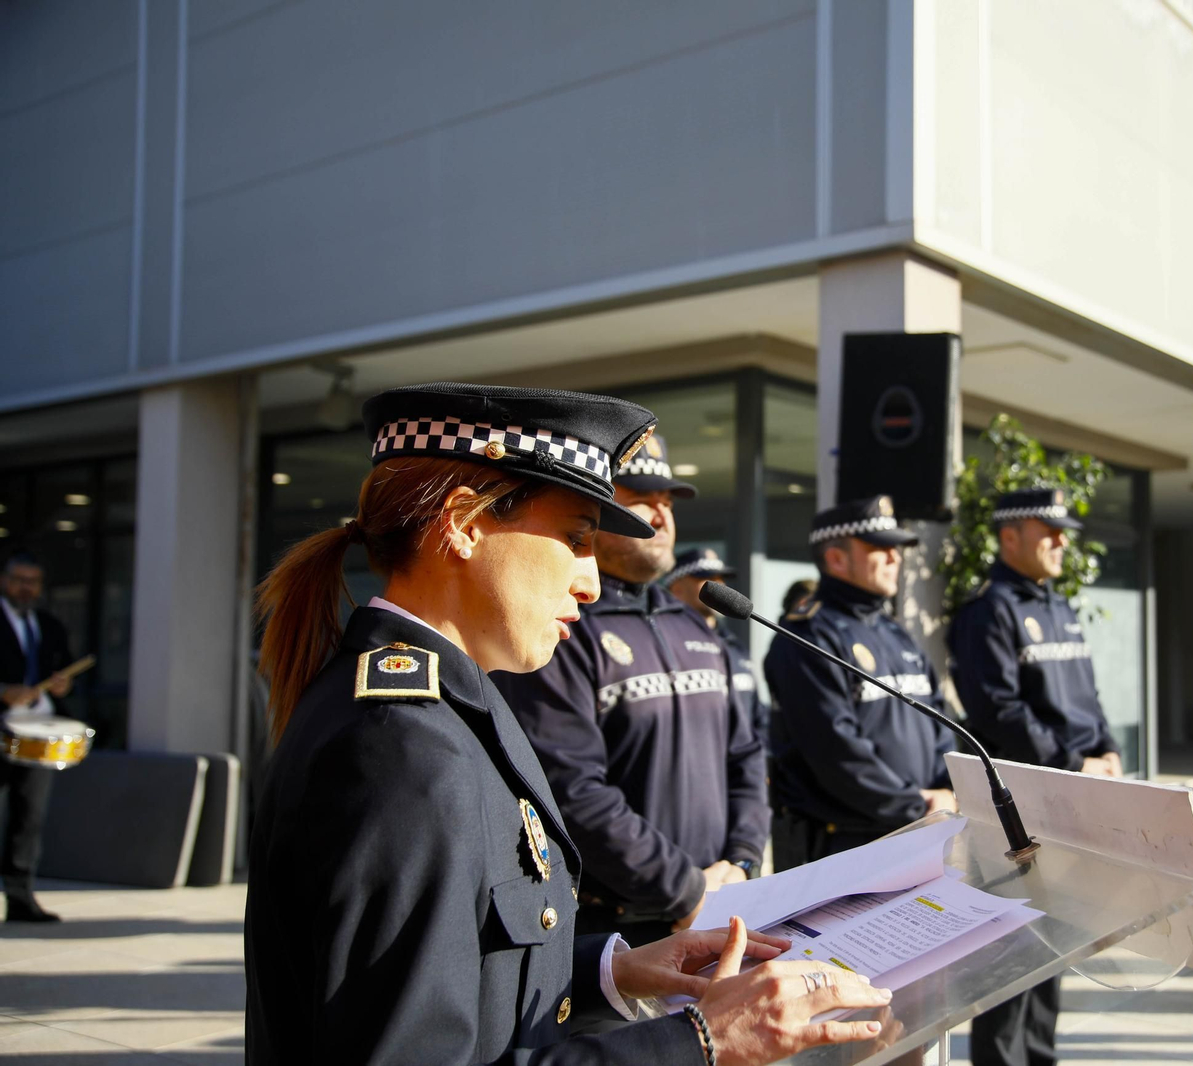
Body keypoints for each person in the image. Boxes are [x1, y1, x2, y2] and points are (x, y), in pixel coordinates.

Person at [246, 383, 891, 1065]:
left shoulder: (446, 706)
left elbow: (464, 970)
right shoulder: (401, 749)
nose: (591, 581)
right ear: (463, 524)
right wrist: (702, 1040)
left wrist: (613, 971)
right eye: (576, 538)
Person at [494, 435, 768, 946]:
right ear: (597, 513)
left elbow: (745, 755)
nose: (662, 514)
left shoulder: (695, 624)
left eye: (668, 502)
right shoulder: (562, 627)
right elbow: (571, 787)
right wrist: (684, 890)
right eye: (642, 499)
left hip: (720, 901)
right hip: (613, 931)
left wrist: (744, 861)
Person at [947, 487, 1115, 1066]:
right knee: (1011, 951)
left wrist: (1107, 748)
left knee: (1056, 942)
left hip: (1069, 797)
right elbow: (999, 710)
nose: (1062, 542)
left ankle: (1040, 1056)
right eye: (1050, 531)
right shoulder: (987, 610)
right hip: (1018, 808)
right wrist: (1075, 762)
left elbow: (1087, 695)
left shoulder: (1058, 605)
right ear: (1010, 536)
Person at [765, 496, 956, 870]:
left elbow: (939, 720)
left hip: (923, 830)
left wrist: (946, 789)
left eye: (896, 549)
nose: (894, 557)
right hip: (847, 845)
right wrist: (918, 805)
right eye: (880, 548)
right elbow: (835, 751)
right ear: (836, 559)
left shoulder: (894, 632)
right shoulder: (807, 636)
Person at [0, 552, 76, 923]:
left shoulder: (49, 625)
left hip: (38, 735)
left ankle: (20, 898)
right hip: (2, 724)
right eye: (19, 580)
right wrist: (3, 691)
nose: (25, 588)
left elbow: (66, 669)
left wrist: (63, 684)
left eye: (32, 582)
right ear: (4, 581)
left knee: (29, 817)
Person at [664, 547, 771, 746]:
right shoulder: (664, 644)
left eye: (720, 578)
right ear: (677, 588)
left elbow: (758, 716)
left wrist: (761, 758)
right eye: (705, 578)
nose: (718, 585)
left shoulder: (734, 645)